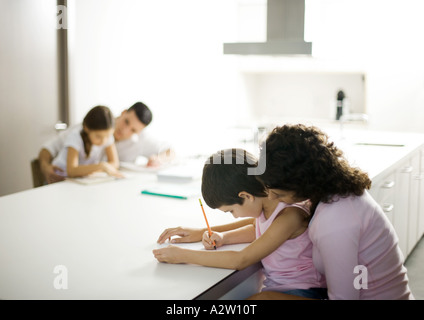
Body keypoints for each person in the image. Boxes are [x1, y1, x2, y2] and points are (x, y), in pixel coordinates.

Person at [249, 123, 414, 300]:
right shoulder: (341, 194)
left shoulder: (335, 220)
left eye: (279, 194)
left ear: (302, 183)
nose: (272, 198)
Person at [153, 149, 328, 299]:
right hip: (279, 287)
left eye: (231, 211)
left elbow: (240, 260)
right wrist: (215, 235)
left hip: (305, 292)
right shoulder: (268, 207)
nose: (234, 217)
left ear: (246, 196)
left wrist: (183, 256)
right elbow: (256, 228)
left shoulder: (289, 216)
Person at [39, 101, 173, 183]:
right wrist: (44, 166)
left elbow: (169, 150)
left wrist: (159, 159)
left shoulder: (136, 139)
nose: (125, 131)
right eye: (126, 122)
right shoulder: (82, 130)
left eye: (133, 130)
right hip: (62, 182)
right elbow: (49, 150)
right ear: (123, 112)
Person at [51, 105, 122, 178]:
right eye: (98, 136)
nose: (103, 141)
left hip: (78, 179)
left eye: (107, 136)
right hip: (58, 176)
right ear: (86, 128)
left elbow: (115, 163)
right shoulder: (75, 136)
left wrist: (102, 167)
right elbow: (71, 171)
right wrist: (101, 166)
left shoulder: (107, 137)